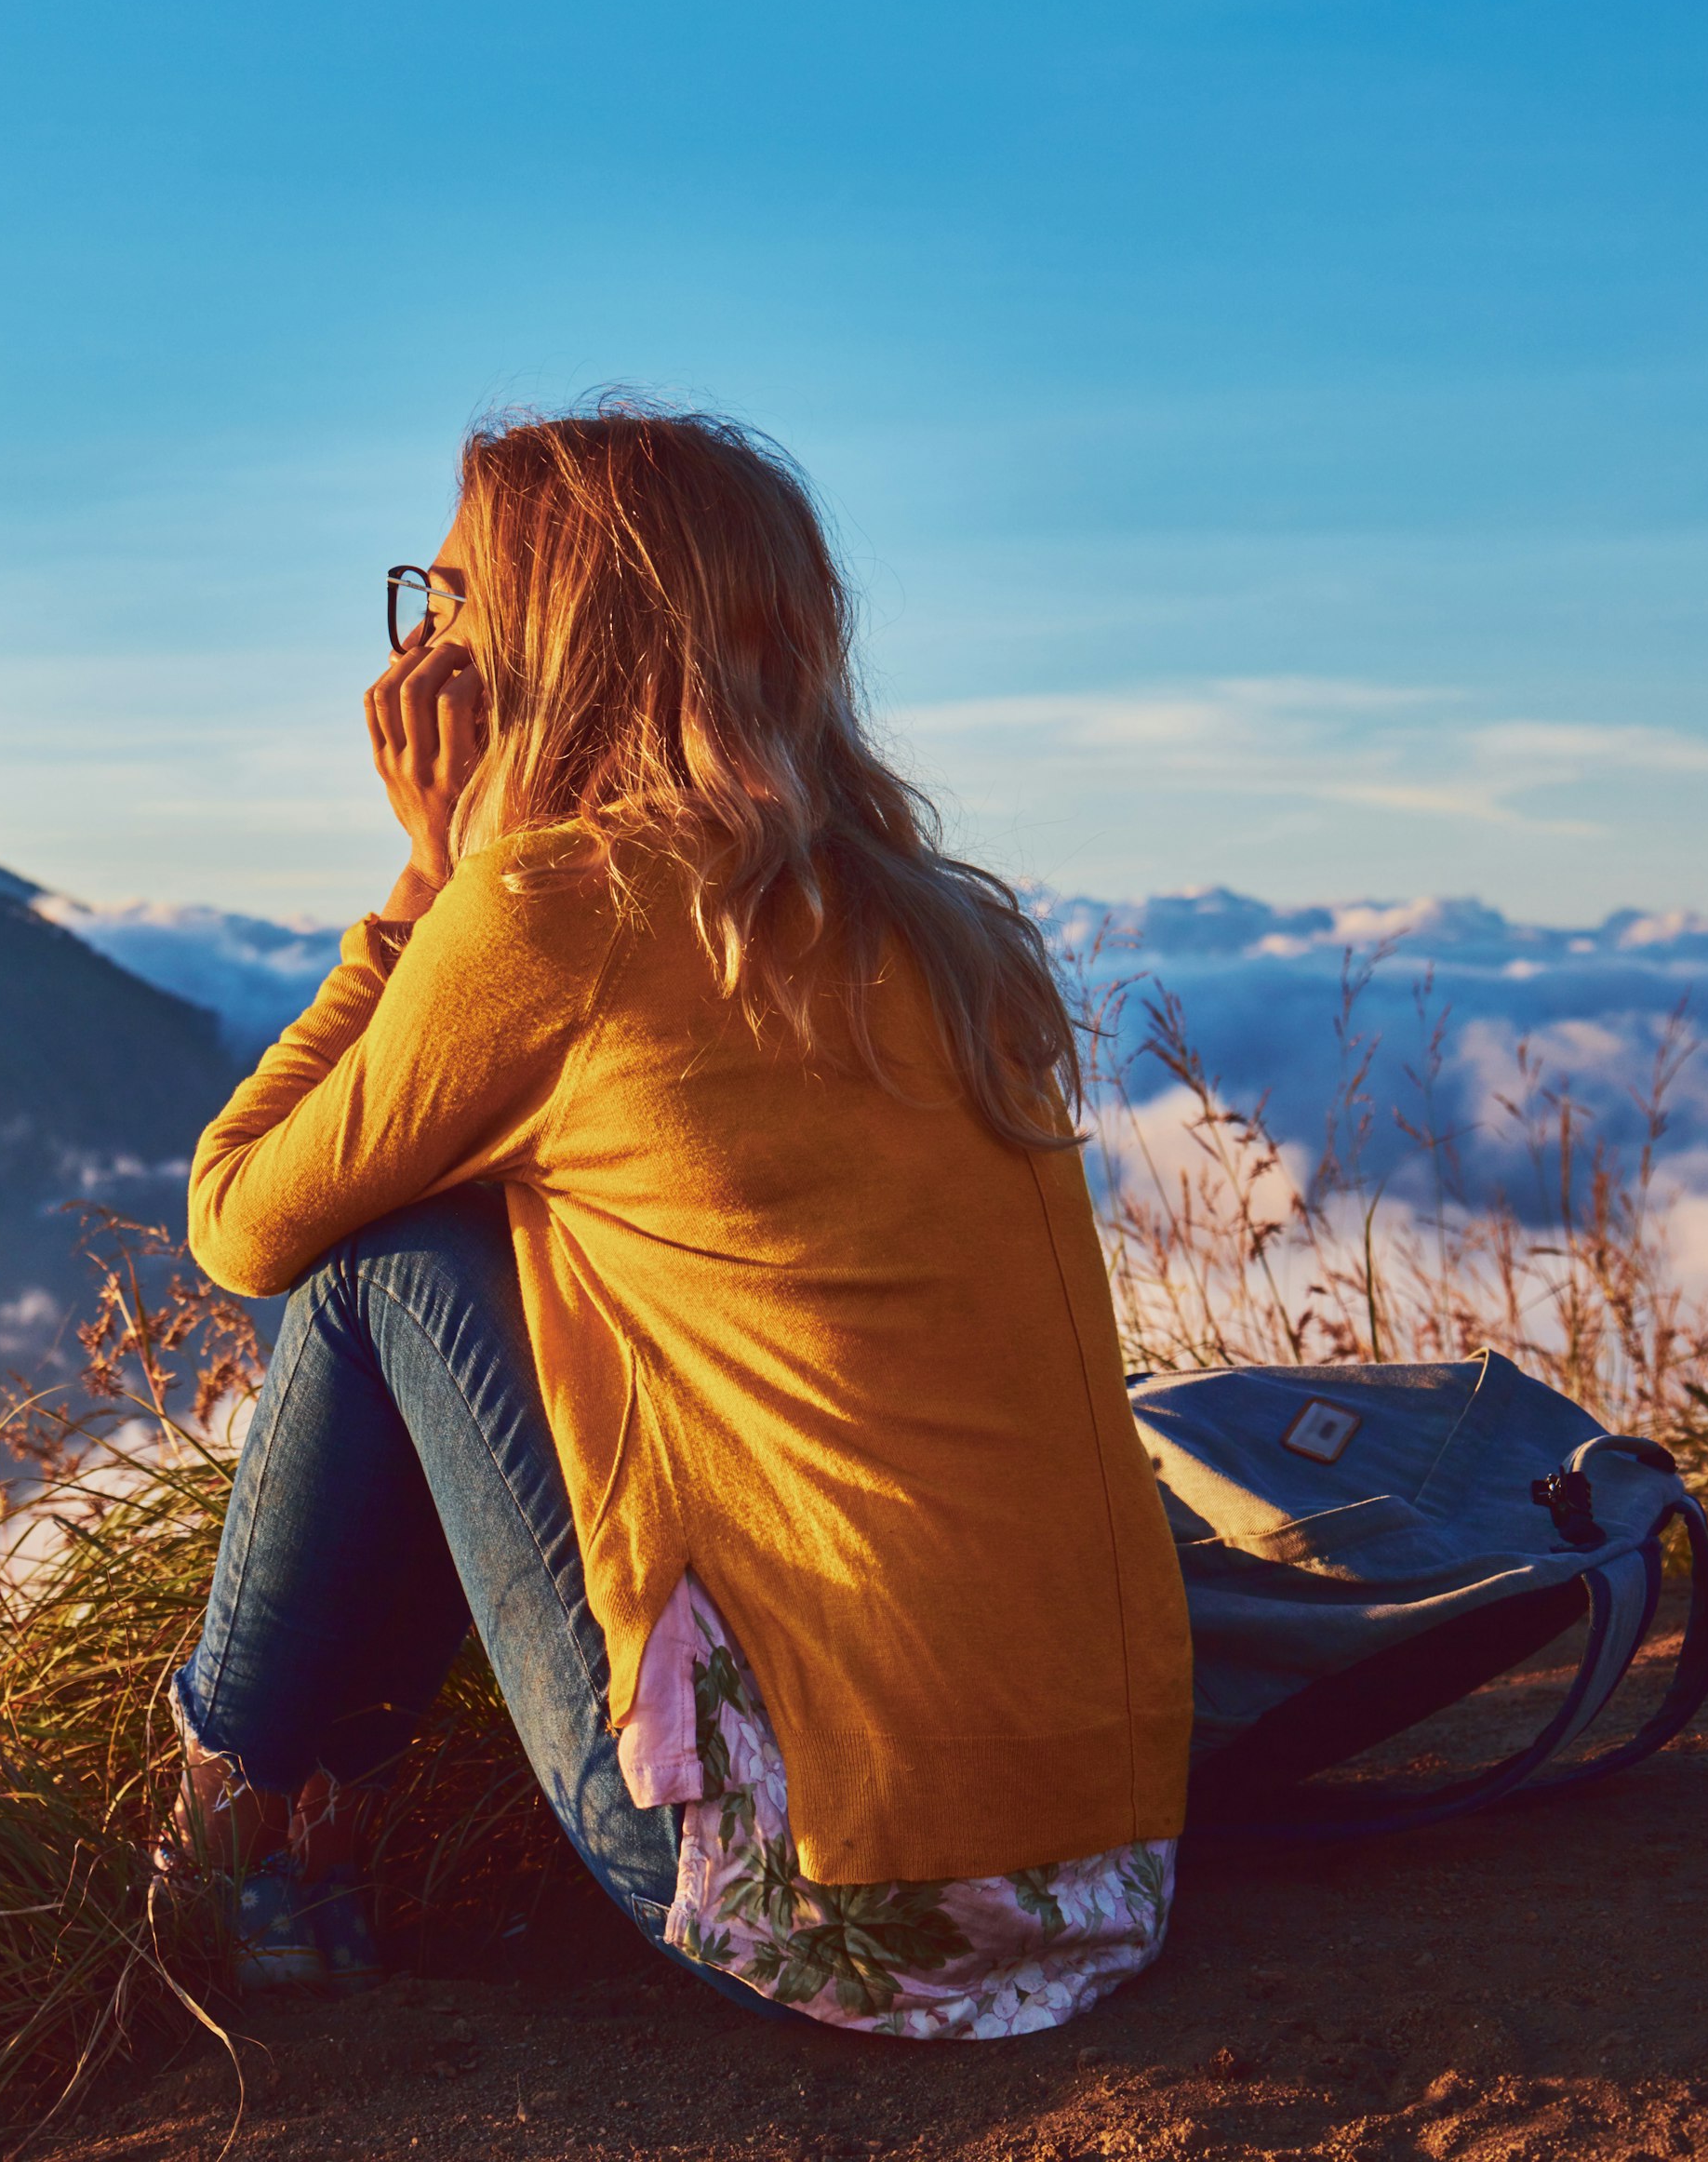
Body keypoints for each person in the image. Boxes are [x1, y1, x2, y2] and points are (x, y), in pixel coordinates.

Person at [164, 401, 1194, 2040]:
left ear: (552, 645)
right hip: (1106, 1871)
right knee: (480, 1226)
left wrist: (421, 884)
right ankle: (307, 1831)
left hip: (833, 1902)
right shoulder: (952, 935)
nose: (418, 649)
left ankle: (228, 1820)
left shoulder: (554, 915)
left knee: (384, 1257)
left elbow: (236, 1218)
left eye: (447, 604)